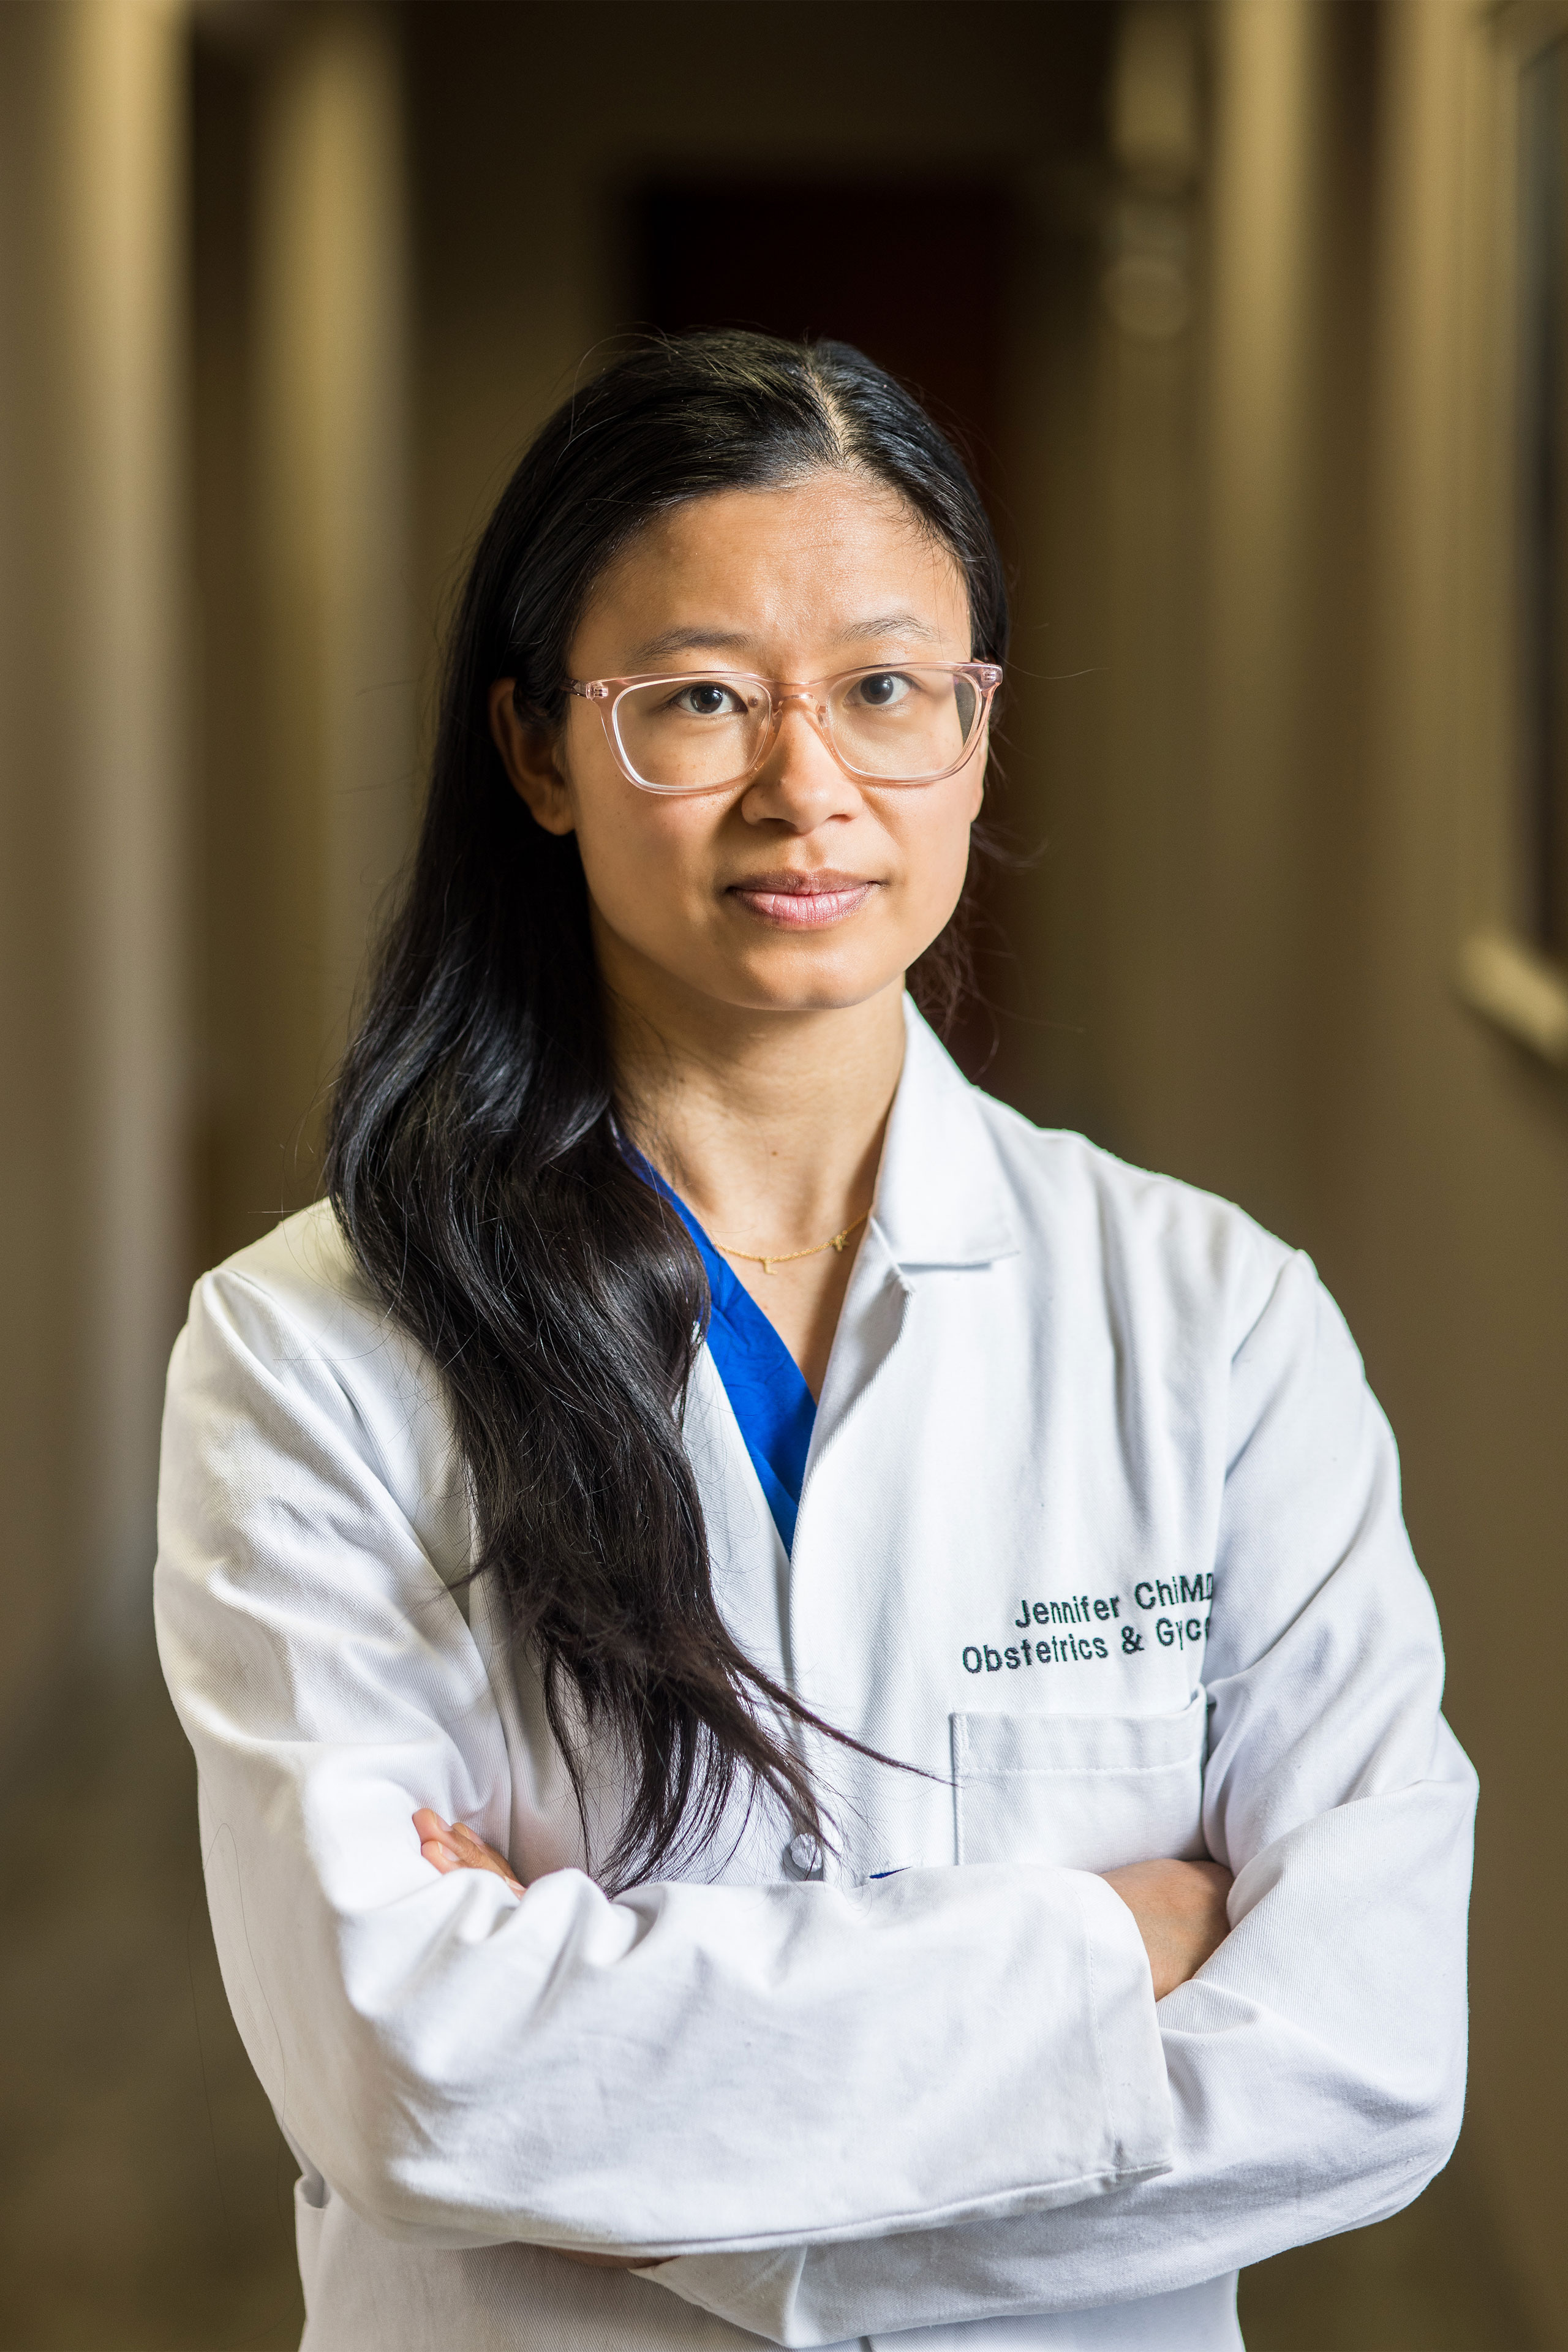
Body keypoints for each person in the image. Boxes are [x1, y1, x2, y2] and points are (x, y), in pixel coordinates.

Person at [155, 332, 1476, 2352]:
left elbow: (1370, 2063)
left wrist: (624, 2127)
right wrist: (1105, 1953)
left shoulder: (1213, 1326)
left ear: (976, 726)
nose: (810, 790)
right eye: (695, 700)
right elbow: (411, 2078)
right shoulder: (312, 1354)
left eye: (884, 692)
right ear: (533, 750)